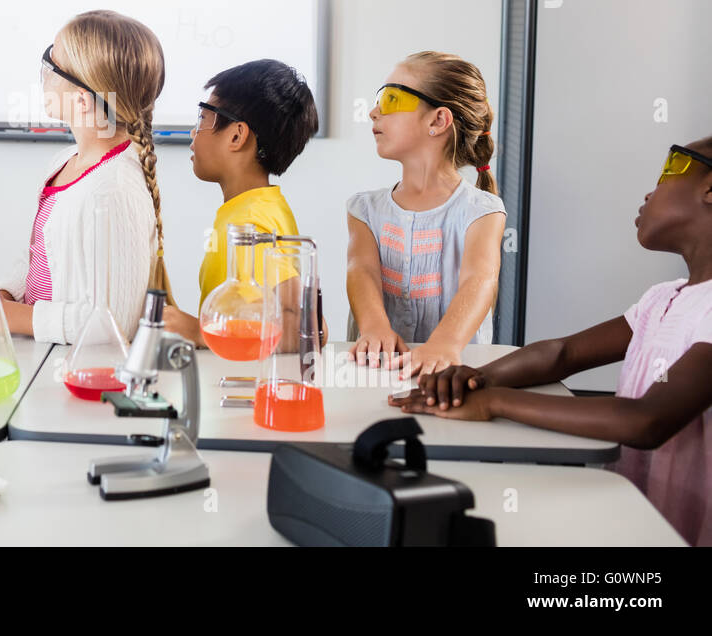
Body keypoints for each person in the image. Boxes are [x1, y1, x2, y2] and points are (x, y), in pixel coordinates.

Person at [390, 137, 712, 546]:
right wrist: (473, 380)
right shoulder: (662, 298)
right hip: (641, 517)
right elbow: (562, 354)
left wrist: (494, 403)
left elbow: (646, 420)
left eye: (668, 171)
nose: (649, 191)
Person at [0, 11, 172, 343]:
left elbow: (111, 324)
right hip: (40, 353)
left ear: (81, 99)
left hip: (71, 369)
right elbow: (42, 253)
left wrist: (8, 317)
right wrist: (5, 294)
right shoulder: (66, 163)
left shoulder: (113, 189)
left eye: (52, 63)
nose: (43, 73)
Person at [346, 51, 505, 376]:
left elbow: (480, 279)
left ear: (437, 121)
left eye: (390, 99)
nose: (374, 112)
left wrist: (444, 344)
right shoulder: (364, 209)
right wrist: (374, 327)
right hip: (377, 370)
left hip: (451, 375)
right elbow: (361, 271)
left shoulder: (481, 211)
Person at [162, 60, 322, 347]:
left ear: (236, 135)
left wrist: (200, 332)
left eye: (202, 118)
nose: (192, 133)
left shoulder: (249, 222)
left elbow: (306, 328)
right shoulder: (262, 205)